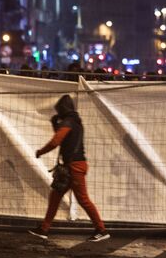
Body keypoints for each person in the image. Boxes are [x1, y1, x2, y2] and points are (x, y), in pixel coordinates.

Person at [29, 94, 109, 242]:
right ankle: (44, 229)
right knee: (55, 196)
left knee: (83, 199)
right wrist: (56, 125)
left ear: (62, 109)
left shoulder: (69, 121)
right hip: (72, 166)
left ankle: (101, 230)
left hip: (74, 167)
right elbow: (64, 138)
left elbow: (56, 141)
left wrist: (40, 152)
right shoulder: (75, 121)